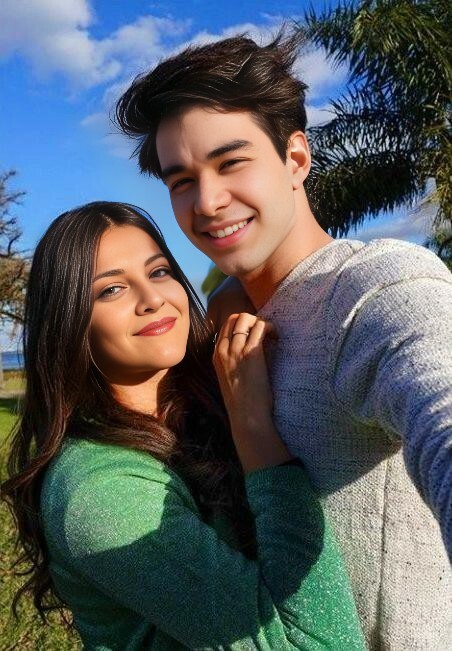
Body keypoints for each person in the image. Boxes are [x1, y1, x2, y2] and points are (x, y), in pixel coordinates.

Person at [114, 30, 452, 650]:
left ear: (296, 158)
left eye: (231, 162)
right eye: (181, 180)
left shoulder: (375, 288)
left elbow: (440, 401)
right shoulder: (229, 316)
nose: (208, 202)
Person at [2, 201, 365, 650]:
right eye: (111, 290)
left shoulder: (194, 401)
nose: (153, 299)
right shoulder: (102, 493)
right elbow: (323, 644)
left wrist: (231, 292)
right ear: (68, 323)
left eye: (158, 272)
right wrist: (252, 425)